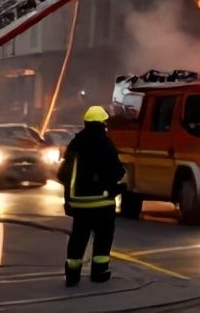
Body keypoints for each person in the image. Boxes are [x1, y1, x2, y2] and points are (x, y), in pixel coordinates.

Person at [58, 106, 126, 287]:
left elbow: (63, 174)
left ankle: (72, 274)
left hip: (79, 203)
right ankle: (99, 272)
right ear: (102, 123)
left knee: (78, 237)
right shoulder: (106, 143)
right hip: (103, 202)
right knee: (103, 237)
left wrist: (70, 199)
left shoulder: (76, 143)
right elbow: (117, 171)